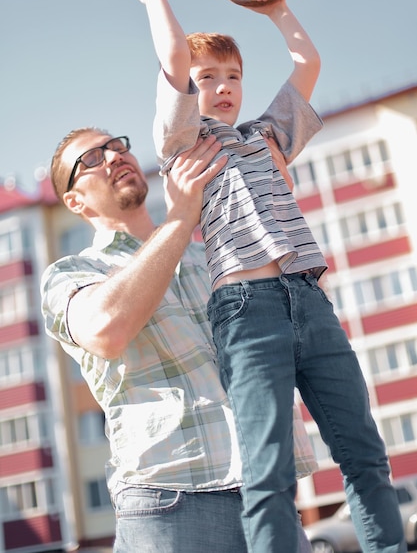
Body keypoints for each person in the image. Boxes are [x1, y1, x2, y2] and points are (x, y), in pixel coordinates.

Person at [138, 0, 406, 553]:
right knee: (270, 469)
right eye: (207, 77)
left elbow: (307, 65)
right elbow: (172, 54)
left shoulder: (267, 137)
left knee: (364, 453)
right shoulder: (183, 142)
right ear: (187, 85)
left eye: (234, 75)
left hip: (309, 299)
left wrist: (278, 10)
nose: (224, 86)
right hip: (247, 310)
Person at [40, 127, 318, 553]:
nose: (113, 156)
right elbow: (105, 330)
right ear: (74, 201)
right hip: (171, 501)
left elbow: (290, 342)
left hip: (267, 492)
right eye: (92, 158)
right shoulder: (71, 272)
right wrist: (180, 218)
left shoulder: (212, 259)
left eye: (116, 146)